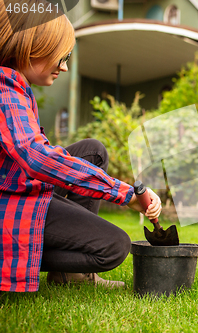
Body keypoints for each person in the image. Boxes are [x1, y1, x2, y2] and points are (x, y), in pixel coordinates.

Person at [0, 0, 162, 292]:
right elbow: (36, 157)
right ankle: (10, 259)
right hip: (9, 204)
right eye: (60, 56)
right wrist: (124, 194)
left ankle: (69, 275)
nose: (63, 66)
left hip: (16, 187)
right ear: (31, 46)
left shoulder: (18, 89)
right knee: (114, 246)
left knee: (93, 151)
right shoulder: (5, 90)